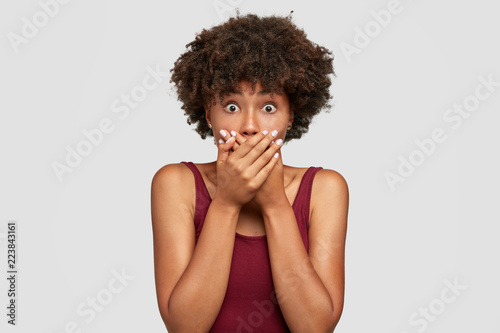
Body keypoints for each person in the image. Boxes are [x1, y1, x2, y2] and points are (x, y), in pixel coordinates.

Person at [151, 13, 349, 332]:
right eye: (231, 106)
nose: (250, 127)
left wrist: (275, 204)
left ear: (290, 116)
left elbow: (315, 327)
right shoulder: (176, 184)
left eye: (268, 107)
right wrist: (227, 203)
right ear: (208, 114)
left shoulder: (325, 189)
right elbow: (184, 327)